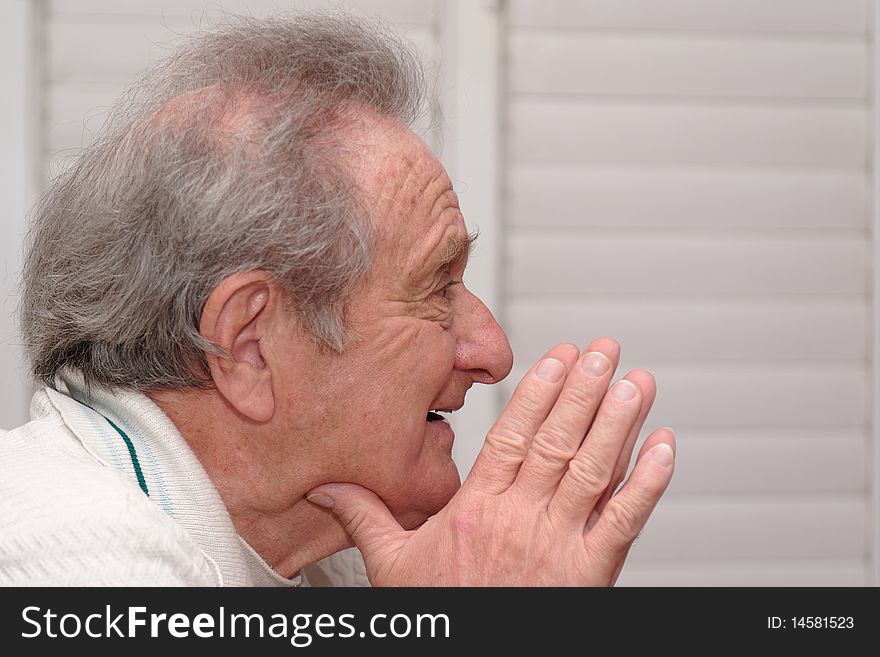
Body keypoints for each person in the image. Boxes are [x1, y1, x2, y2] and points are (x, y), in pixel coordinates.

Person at [0, 13, 675, 586]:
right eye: (437, 286)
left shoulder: (336, 547)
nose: (492, 351)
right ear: (250, 347)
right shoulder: (74, 559)